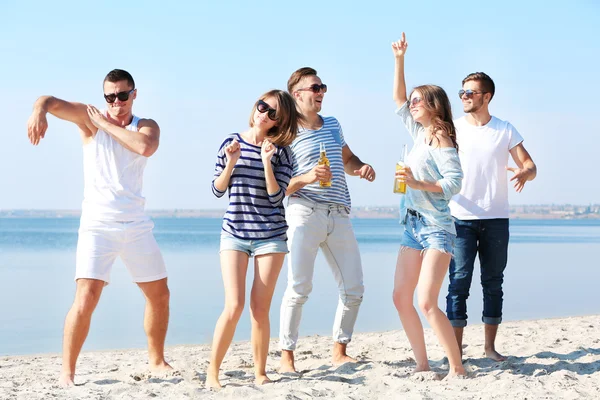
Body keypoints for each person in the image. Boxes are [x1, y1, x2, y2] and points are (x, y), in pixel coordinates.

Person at [26, 69, 171, 387]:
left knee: (159, 295)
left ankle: (158, 361)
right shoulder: (88, 119)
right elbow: (50, 101)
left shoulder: (145, 126)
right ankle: (68, 372)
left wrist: (104, 123)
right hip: (97, 225)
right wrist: (39, 110)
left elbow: (145, 147)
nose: (115, 101)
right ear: (103, 96)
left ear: (134, 94)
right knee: (86, 297)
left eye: (122, 95)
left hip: (136, 225)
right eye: (109, 96)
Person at [278, 67, 376, 373]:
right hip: (304, 212)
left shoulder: (333, 124)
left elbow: (347, 159)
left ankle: (339, 351)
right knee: (299, 288)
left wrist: (361, 168)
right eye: (315, 88)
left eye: (323, 88)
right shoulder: (284, 132)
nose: (321, 93)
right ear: (297, 94)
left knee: (354, 288)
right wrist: (308, 177)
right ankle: (286, 358)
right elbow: (280, 185)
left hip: (339, 213)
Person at [206, 90, 300, 389]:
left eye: (273, 113)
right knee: (233, 305)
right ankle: (212, 373)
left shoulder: (283, 152)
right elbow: (218, 189)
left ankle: (260, 372)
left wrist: (267, 162)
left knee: (260, 309)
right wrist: (231, 161)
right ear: (255, 106)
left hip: (270, 236)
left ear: (280, 121)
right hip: (234, 232)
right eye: (263, 107)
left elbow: (276, 198)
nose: (264, 114)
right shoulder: (230, 142)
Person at [446, 72, 537, 361]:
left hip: (496, 219)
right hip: (459, 217)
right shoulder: (453, 129)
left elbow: (530, 165)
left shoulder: (505, 129)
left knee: (493, 283)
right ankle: (455, 351)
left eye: (471, 92)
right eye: (462, 92)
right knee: (458, 283)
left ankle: (489, 348)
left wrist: (526, 171)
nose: (464, 96)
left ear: (487, 97)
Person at [391, 33, 466, 377]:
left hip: (436, 228)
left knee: (426, 301)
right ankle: (423, 363)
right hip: (411, 225)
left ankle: (457, 368)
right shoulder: (419, 133)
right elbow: (397, 99)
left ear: (435, 105)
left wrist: (416, 183)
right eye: (414, 99)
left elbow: (454, 183)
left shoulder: (441, 136)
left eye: (420, 100)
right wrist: (399, 59)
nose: (413, 103)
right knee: (399, 297)